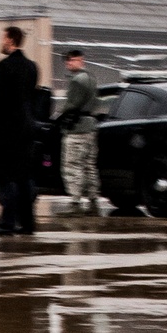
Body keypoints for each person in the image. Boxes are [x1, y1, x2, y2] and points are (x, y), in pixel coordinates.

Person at [0, 24, 39, 236]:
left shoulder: (3, 66)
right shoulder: (32, 67)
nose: (1, 42)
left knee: (3, 177)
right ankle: (27, 223)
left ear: (10, 40)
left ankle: (7, 222)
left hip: (6, 130)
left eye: (3, 38)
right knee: (24, 177)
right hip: (27, 129)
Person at [59, 46, 101, 211]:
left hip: (77, 128)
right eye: (66, 60)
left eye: (70, 60)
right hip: (90, 126)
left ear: (79, 60)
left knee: (72, 165)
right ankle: (93, 198)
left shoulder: (76, 80)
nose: (67, 64)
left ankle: (75, 201)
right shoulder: (91, 78)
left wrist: (62, 116)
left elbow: (71, 105)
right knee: (89, 165)